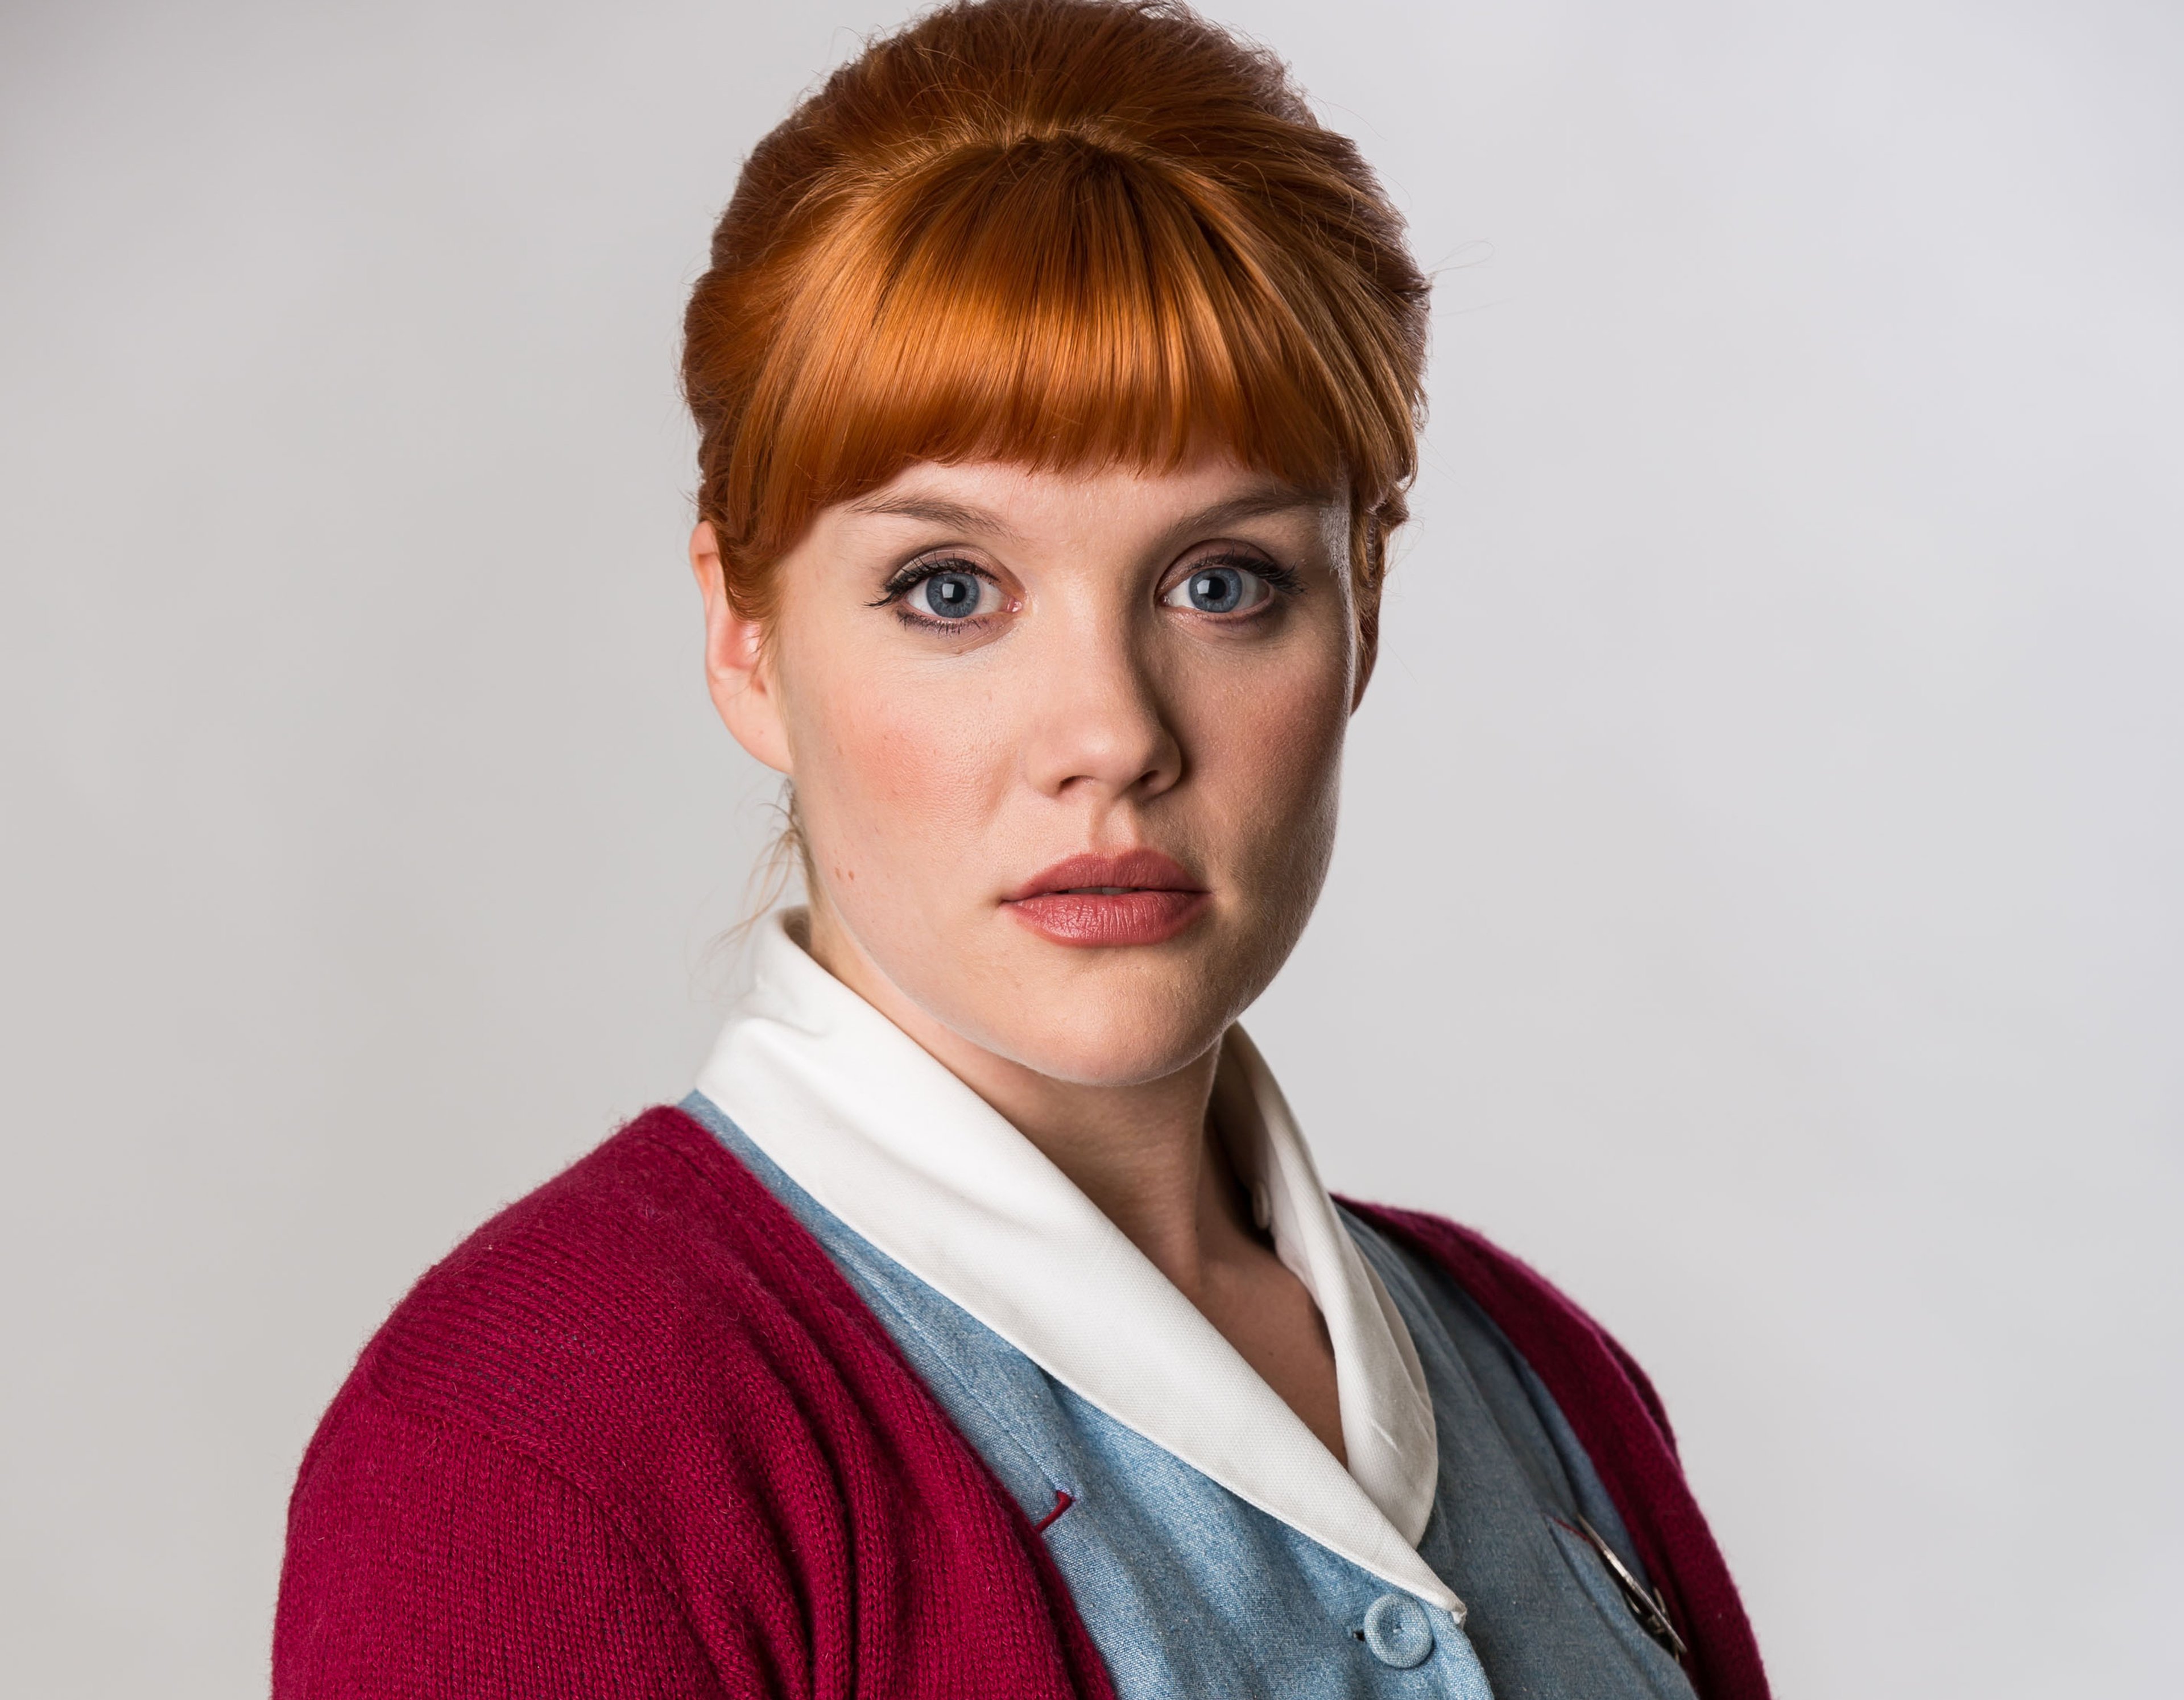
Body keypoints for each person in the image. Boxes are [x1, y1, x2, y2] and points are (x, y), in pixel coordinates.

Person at [274, 3, 1769, 1695]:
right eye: (950, 590)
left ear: (1362, 620)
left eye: (1223, 582)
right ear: (747, 641)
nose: (1112, 734)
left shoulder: (1542, 1380)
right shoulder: (536, 1457)